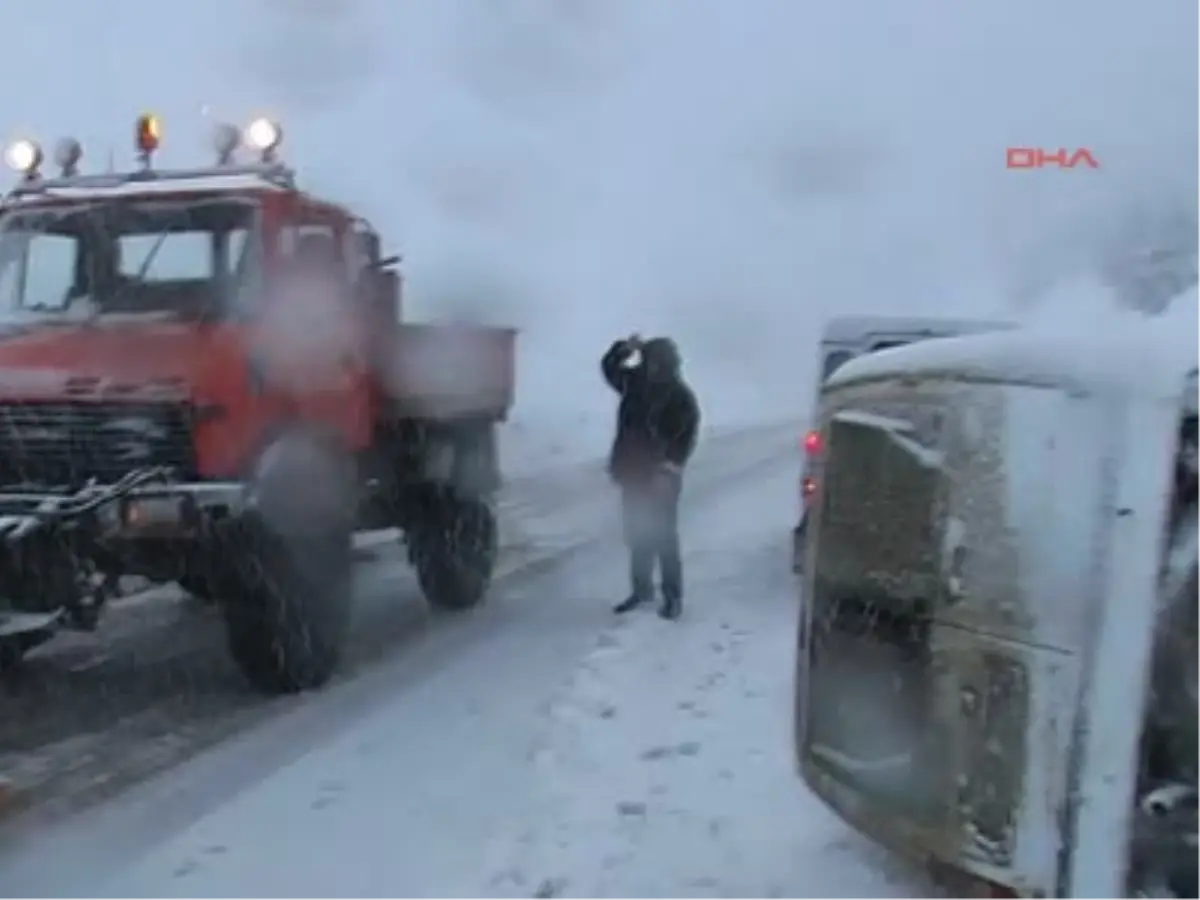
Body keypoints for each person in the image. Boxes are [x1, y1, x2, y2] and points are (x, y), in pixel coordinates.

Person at [601, 333, 701, 620]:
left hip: (661, 476)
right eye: (648, 360)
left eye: (658, 361)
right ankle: (641, 590)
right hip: (632, 472)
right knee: (637, 532)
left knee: (664, 536)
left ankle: (672, 596)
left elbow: (687, 435)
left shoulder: (680, 395)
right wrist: (623, 349)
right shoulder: (635, 384)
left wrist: (670, 466)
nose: (652, 366)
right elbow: (609, 369)